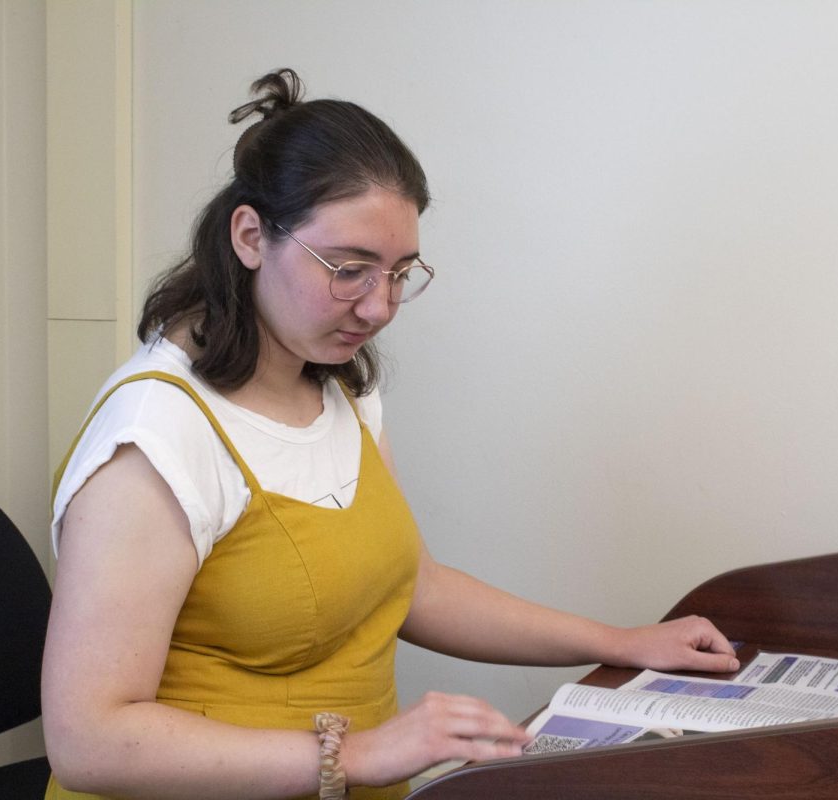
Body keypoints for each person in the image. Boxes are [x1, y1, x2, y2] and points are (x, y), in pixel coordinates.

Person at [41, 68, 739, 800]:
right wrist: (363, 753)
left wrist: (622, 642)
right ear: (250, 236)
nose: (379, 307)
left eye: (401, 273)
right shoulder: (156, 435)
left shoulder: (339, 381)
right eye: (349, 270)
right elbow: (89, 739)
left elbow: (411, 588)